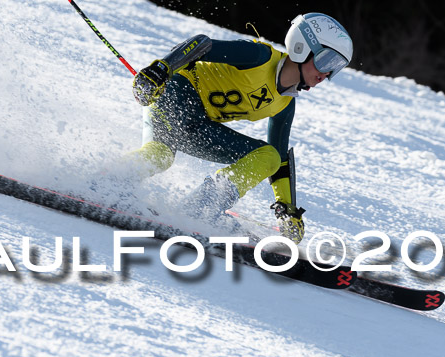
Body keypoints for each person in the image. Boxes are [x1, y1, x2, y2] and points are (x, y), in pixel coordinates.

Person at [129, 13, 353, 244]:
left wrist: (287, 210)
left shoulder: (285, 103)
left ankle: (117, 183)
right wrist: (162, 69)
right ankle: (201, 207)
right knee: (159, 156)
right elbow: (202, 44)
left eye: (334, 68)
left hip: (198, 126)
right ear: (302, 47)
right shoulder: (260, 57)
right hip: (175, 96)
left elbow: (278, 162)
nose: (325, 74)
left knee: (161, 156)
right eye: (326, 61)